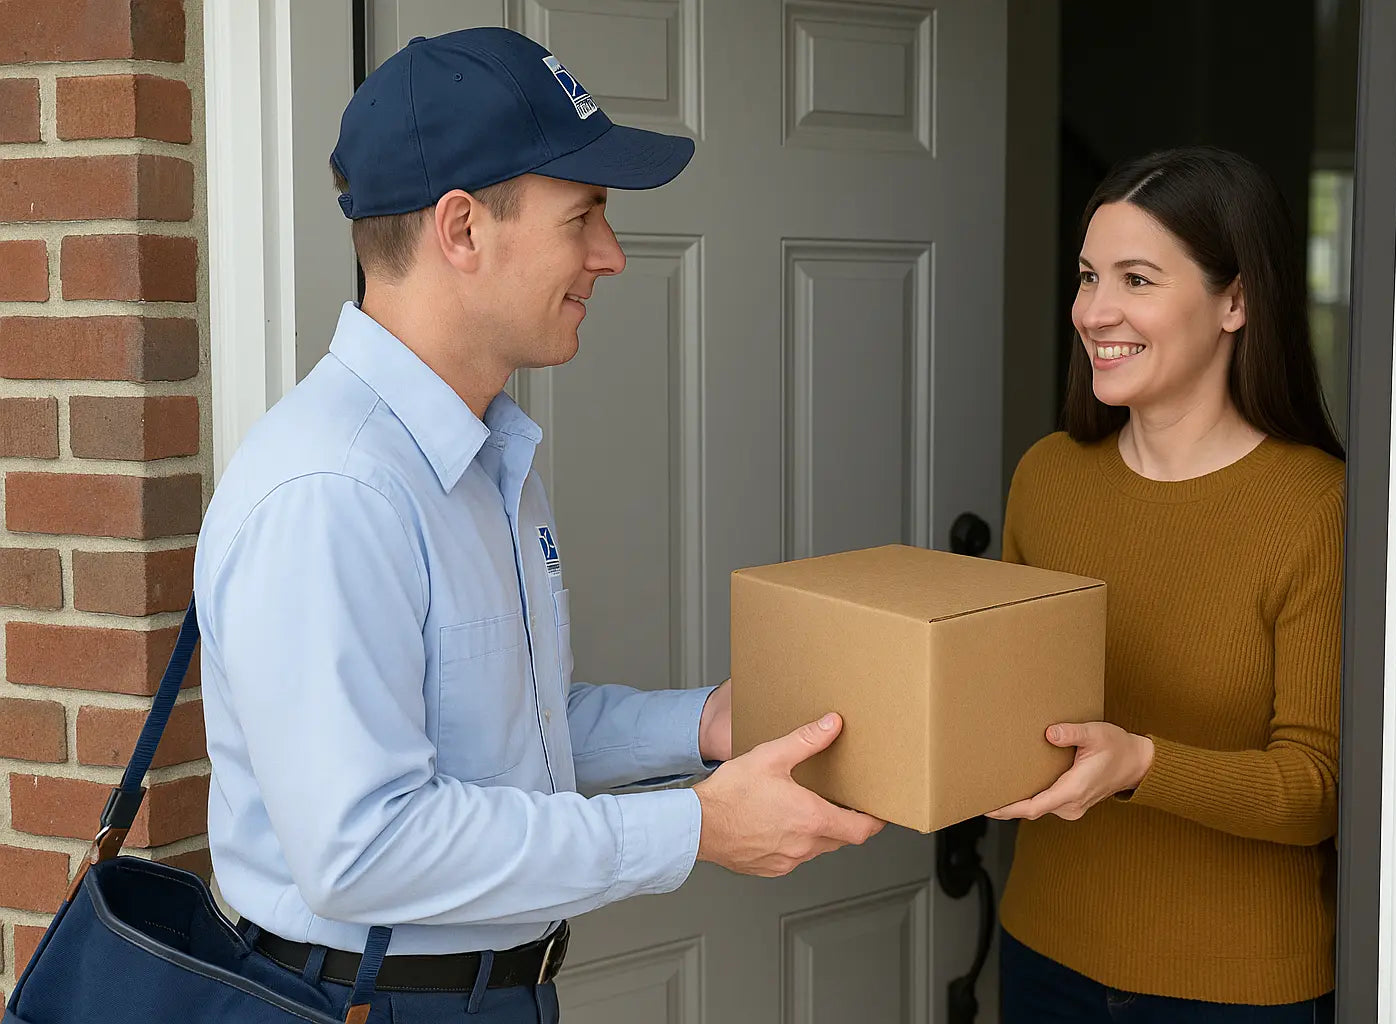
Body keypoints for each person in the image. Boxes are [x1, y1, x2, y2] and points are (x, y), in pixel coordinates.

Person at [192, 27, 882, 1024]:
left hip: (491, 996)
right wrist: (692, 829)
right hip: (364, 1006)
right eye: (585, 214)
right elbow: (363, 849)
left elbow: (511, 738)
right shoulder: (334, 492)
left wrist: (701, 726)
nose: (611, 255)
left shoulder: (479, 455)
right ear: (462, 229)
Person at [986, 146, 1344, 1022]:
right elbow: (994, 699)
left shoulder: (1318, 507)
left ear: (1237, 300)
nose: (1094, 312)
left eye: (1137, 279)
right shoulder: (1049, 477)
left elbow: (1315, 790)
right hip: (1044, 951)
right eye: (1087, 277)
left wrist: (1141, 763)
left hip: (1237, 987)